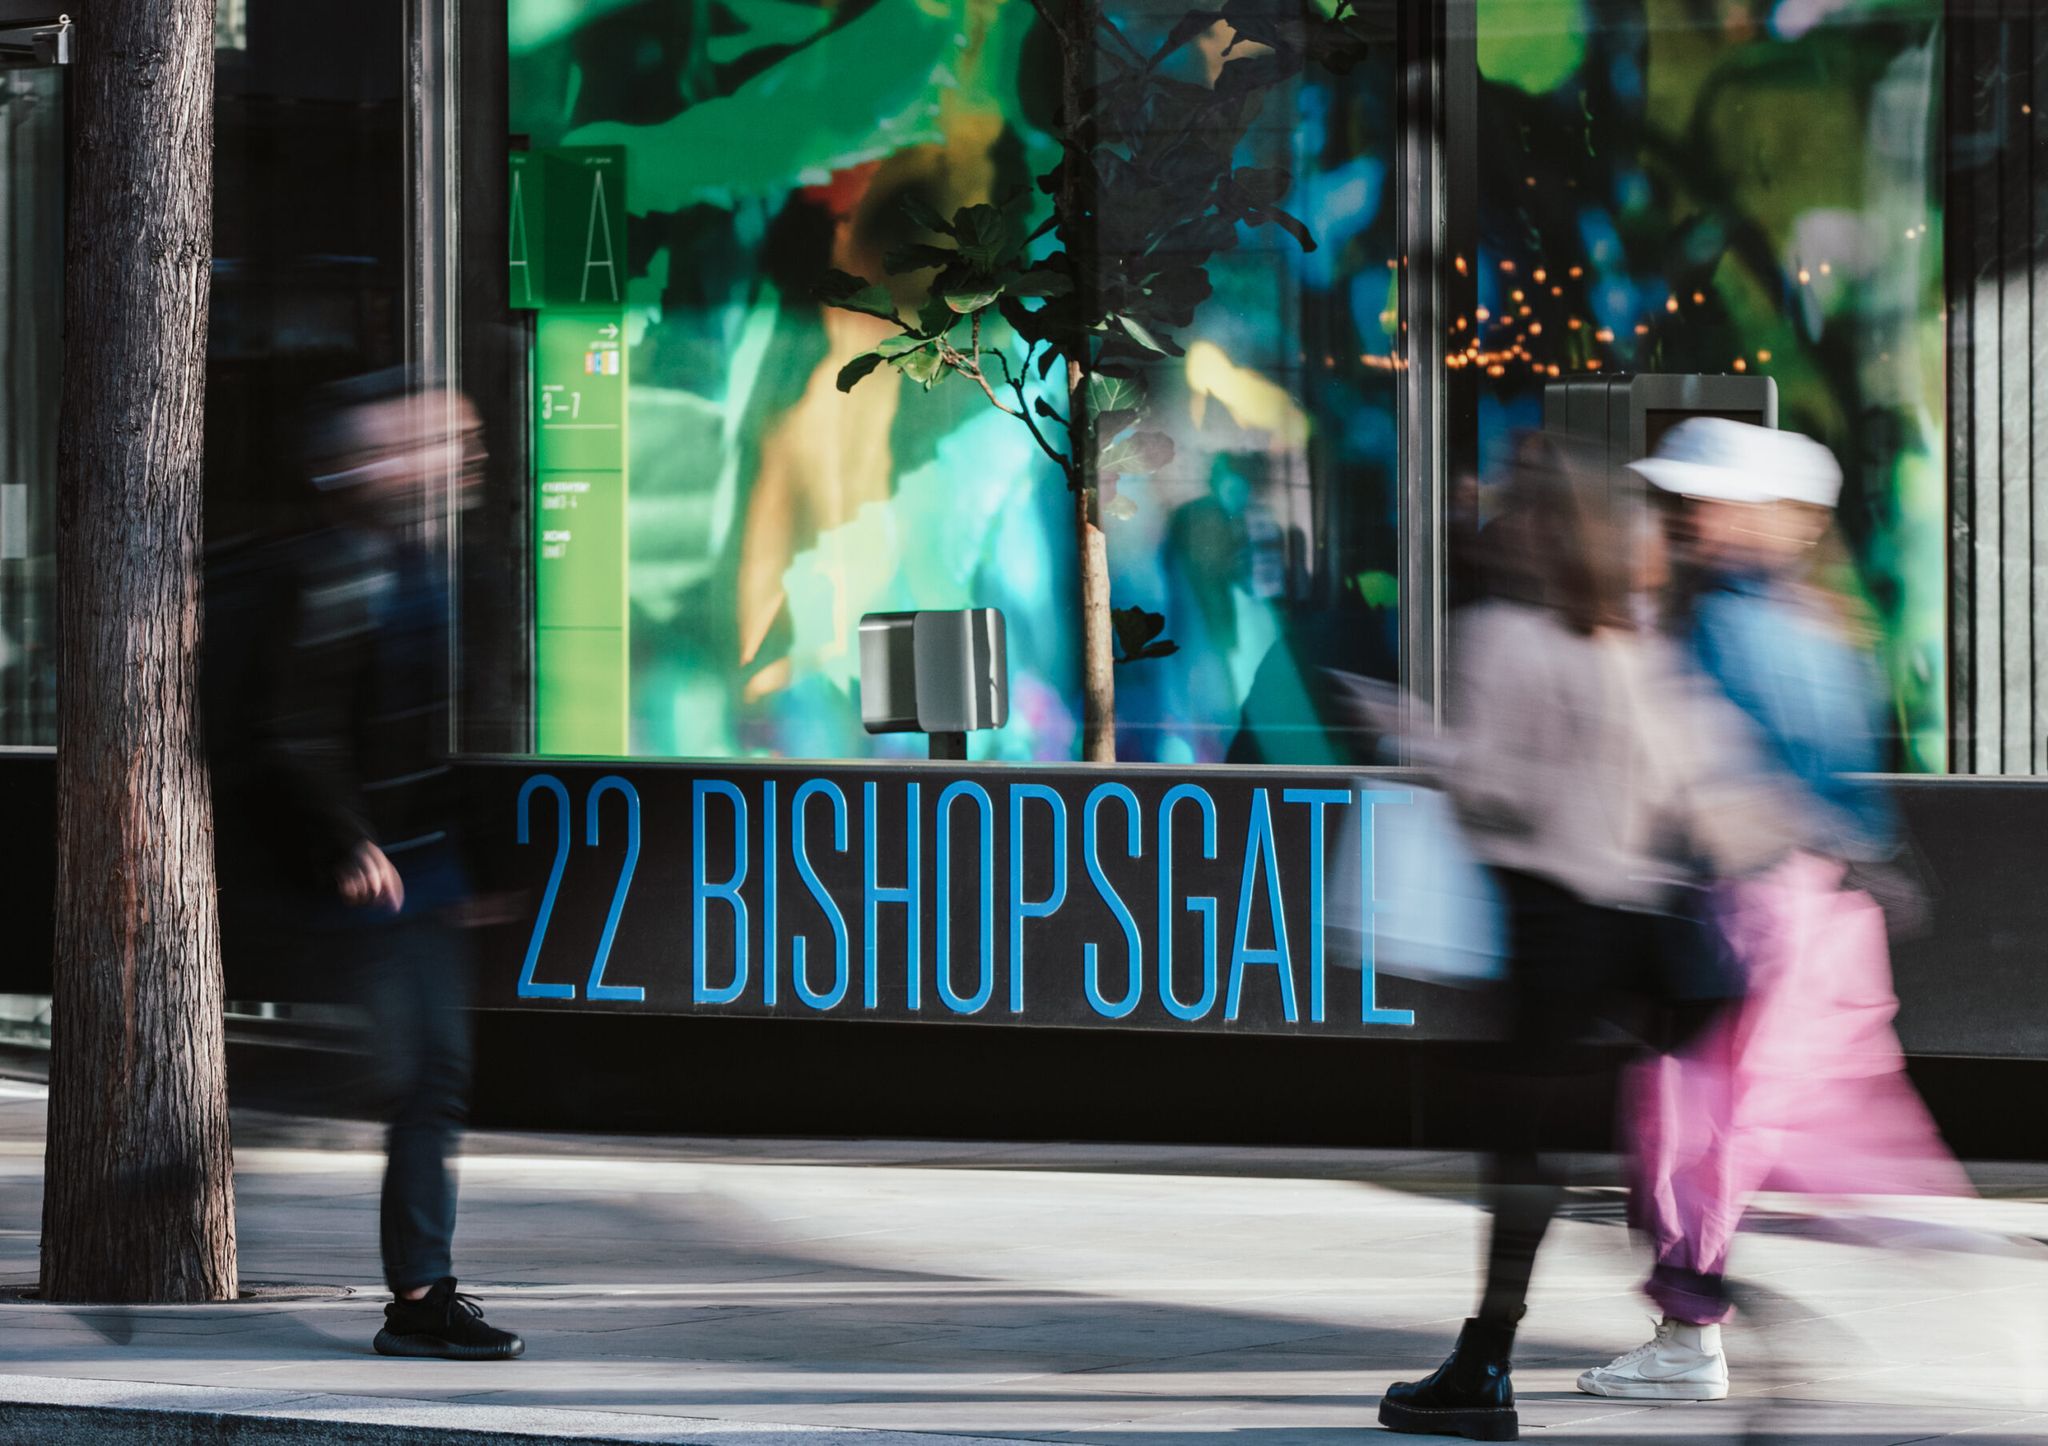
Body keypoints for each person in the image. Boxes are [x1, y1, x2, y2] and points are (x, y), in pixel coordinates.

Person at [1376, 433, 1796, 1442]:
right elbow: (1704, 786)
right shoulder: (1638, 641)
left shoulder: (1504, 636)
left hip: (1553, 936)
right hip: (1644, 945)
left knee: (1521, 1159)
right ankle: (1700, 1290)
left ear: (1538, 527)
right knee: (1613, 1141)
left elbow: (1493, 793)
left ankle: (1484, 1370)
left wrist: (1413, 737)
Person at [1574, 418, 1967, 1401]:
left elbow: (1677, 769)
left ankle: (1687, 1335)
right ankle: (1701, 1319)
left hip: (1725, 907)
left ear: (1758, 516)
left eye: (1696, 501)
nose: (1680, 516)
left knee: (1691, 1124)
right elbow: (1845, 797)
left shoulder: (1712, 624)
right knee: (1746, 1119)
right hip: (1800, 909)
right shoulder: (1823, 628)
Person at [255, 370, 524, 1361]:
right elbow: (293, 725)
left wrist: (479, 864)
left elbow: (452, 724)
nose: (464, 457)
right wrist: (341, 838)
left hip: (429, 867)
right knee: (401, 1073)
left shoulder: (434, 564)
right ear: (377, 460)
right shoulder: (335, 569)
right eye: (443, 440)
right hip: (369, 871)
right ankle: (414, 1293)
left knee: (432, 1077)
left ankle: (420, 1297)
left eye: (464, 440)